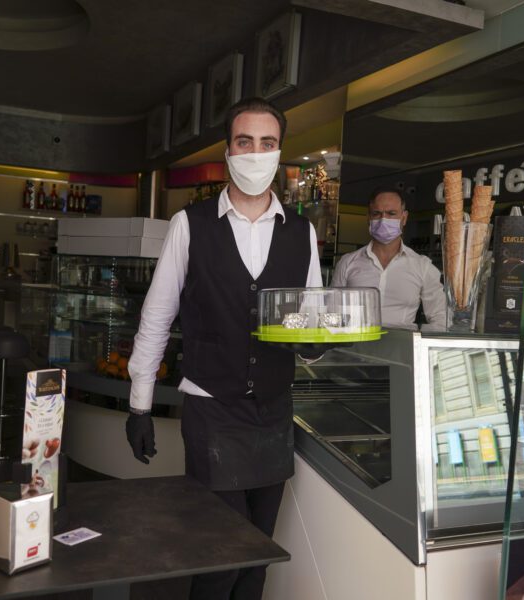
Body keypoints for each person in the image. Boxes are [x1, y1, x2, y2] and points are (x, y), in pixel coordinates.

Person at [125, 97, 322, 600]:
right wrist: (139, 404)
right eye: (245, 142)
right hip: (212, 410)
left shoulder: (303, 232)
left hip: (274, 411)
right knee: (219, 560)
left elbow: (311, 320)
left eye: (268, 143)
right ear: (229, 150)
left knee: (257, 558)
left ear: (280, 152)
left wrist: (316, 343)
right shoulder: (190, 224)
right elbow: (157, 315)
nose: (256, 153)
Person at [331, 187, 446, 329]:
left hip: (401, 347)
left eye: (391, 213)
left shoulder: (422, 266)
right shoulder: (347, 262)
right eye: (377, 213)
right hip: (354, 348)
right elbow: (332, 311)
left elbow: (441, 318)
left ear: (404, 218)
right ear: (368, 218)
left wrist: (416, 337)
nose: (383, 219)